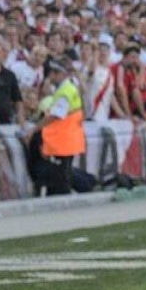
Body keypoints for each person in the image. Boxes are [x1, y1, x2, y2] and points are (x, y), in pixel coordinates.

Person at [32, 57, 86, 196]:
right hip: (66, 140)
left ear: (61, 74)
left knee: (60, 180)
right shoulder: (68, 89)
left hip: (62, 142)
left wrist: (33, 129)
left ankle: (62, 206)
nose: (50, 76)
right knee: (61, 176)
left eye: (53, 73)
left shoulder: (65, 92)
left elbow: (55, 115)